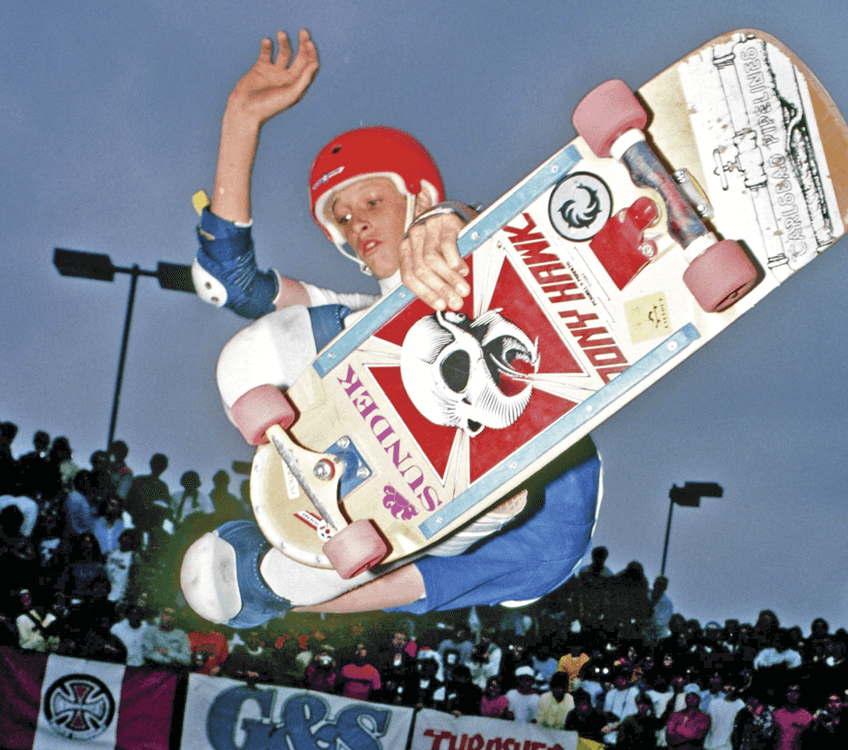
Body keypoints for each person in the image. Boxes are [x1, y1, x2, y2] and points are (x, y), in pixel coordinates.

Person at [180, 29, 602, 631]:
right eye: (343, 219)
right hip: (463, 535)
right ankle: (460, 499)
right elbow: (231, 283)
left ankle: (471, 484)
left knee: (421, 294)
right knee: (225, 584)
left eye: (373, 203)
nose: (357, 226)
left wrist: (452, 218)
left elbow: (498, 237)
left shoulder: (452, 225)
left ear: (418, 195)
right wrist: (240, 119)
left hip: (553, 495)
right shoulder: (355, 313)